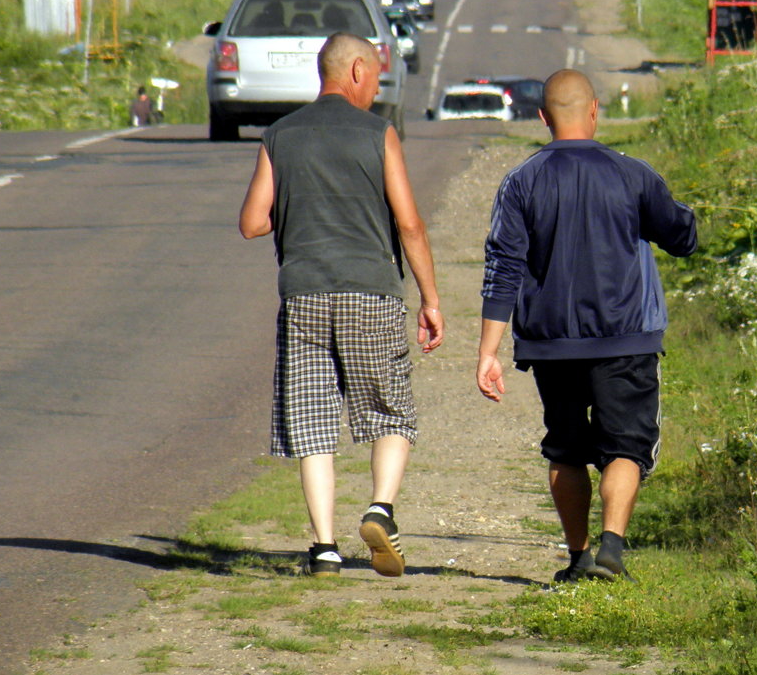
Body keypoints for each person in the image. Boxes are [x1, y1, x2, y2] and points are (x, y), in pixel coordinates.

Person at [475, 69, 697, 583]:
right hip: (627, 336)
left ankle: (578, 557)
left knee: (566, 448)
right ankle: (613, 549)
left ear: (542, 118)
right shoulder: (632, 173)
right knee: (627, 445)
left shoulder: (520, 181)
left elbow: (502, 266)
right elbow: (681, 233)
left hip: (551, 343)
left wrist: (488, 351)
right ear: (595, 110)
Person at [239, 32, 443, 578]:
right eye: (375, 74)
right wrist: (431, 298)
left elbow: (253, 222)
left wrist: (304, 203)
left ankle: (324, 548)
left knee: (312, 419)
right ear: (354, 71)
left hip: (303, 292)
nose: (377, 87)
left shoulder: (279, 135)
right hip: (370, 291)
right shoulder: (379, 133)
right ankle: (380, 508)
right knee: (389, 408)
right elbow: (408, 223)